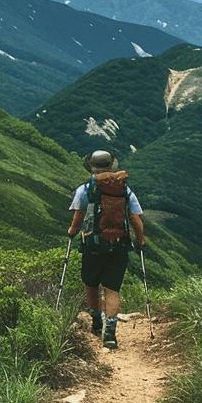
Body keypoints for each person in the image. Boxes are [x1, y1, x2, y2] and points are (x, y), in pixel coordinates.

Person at [66, 150, 146, 349]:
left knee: (91, 283)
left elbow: (78, 217)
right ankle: (110, 334)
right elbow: (136, 218)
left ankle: (96, 322)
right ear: (111, 166)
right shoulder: (124, 190)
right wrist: (140, 240)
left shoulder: (85, 189)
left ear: (92, 167)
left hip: (92, 244)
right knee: (112, 288)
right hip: (119, 245)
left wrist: (72, 232)